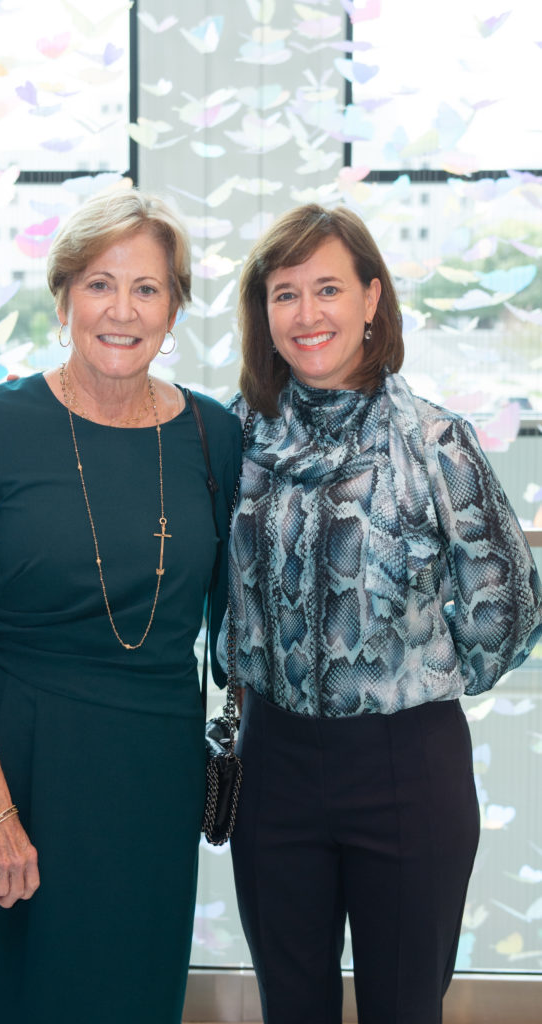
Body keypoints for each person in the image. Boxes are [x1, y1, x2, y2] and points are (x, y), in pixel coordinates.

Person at [0, 188, 242, 1024]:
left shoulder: (214, 437)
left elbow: (243, 620)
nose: (122, 310)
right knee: (3, 997)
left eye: (146, 288)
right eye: (99, 284)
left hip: (153, 782)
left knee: (131, 996)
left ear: (174, 311)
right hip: (16, 773)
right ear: (63, 300)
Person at [221, 202, 542, 1024]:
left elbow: (508, 610)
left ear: (371, 298)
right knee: (292, 1007)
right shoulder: (234, 437)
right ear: (264, 313)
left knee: (404, 1007)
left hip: (407, 766)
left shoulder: (437, 442)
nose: (307, 313)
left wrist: (414, 669)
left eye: (328, 288)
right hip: (271, 762)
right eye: (285, 293)